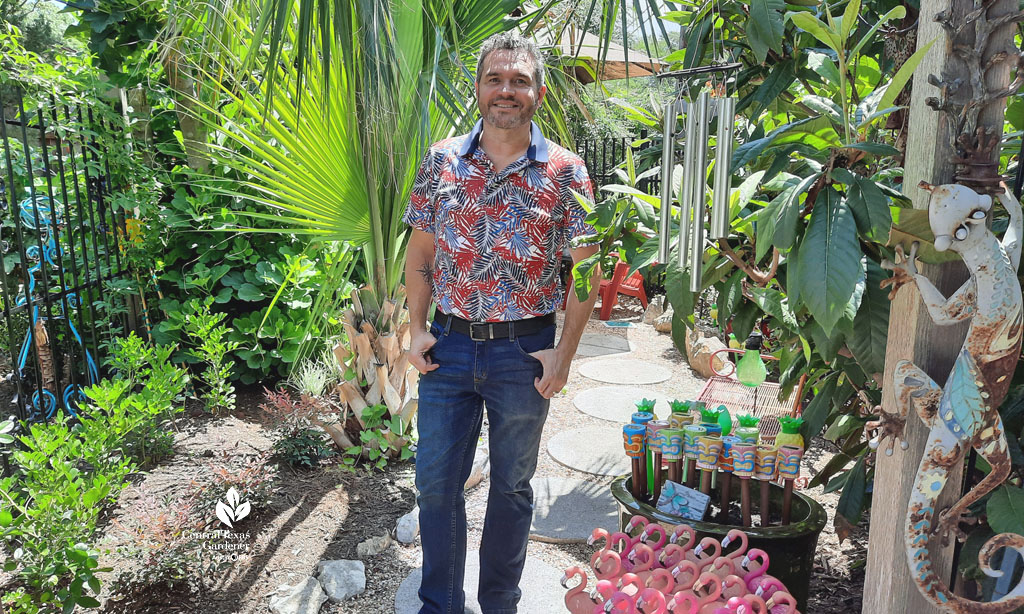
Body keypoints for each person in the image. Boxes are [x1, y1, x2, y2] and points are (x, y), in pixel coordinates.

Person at [402, 32, 602, 614]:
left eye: (519, 80)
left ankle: (499, 604)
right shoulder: (442, 161)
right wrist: (416, 330)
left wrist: (564, 354)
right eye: (496, 79)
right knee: (436, 487)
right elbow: (420, 256)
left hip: (525, 354)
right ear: (478, 88)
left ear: (538, 91)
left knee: (512, 491)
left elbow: (586, 272)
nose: (506, 91)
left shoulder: (566, 171)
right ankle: (441, 604)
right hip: (449, 349)